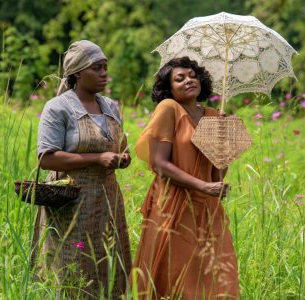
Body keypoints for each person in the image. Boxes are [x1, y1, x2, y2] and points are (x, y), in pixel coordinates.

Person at [131, 56, 239, 299]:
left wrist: (223, 144)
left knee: (209, 272)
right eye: (179, 79)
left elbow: (216, 174)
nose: (189, 80)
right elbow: (159, 163)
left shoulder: (213, 116)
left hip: (206, 206)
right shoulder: (169, 109)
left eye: (192, 75)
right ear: (169, 88)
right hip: (173, 202)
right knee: (174, 270)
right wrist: (203, 185)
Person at [33, 40, 132, 299]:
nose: (104, 74)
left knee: (108, 264)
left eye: (105, 68)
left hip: (107, 201)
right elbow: (47, 158)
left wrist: (122, 157)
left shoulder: (111, 107)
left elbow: (121, 145)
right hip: (71, 201)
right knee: (72, 265)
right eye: (97, 68)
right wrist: (97, 158)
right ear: (78, 72)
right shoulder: (58, 108)